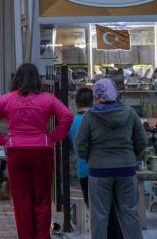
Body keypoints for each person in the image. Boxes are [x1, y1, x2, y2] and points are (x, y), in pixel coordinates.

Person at [0, 63, 73, 239]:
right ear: (37, 79)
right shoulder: (48, 99)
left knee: (21, 199)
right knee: (42, 199)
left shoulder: (7, 99)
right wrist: (54, 137)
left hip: (16, 150)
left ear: (16, 79)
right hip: (42, 150)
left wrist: (0, 139)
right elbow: (67, 116)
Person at [74, 79, 147, 239]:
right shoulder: (130, 113)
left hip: (99, 171)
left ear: (96, 95)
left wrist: (89, 158)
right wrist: (131, 157)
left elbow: (79, 143)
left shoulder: (90, 116)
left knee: (99, 216)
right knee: (130, 214)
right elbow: (142, 140)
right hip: (126, 170)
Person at [69, 87, 122, 238]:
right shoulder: (100, 118)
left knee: (94, 211)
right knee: (111, 209)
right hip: (105, 168)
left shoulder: (73, 122)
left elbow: (72, 146)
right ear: (94, 101)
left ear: (76, 103)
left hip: (84, 171)